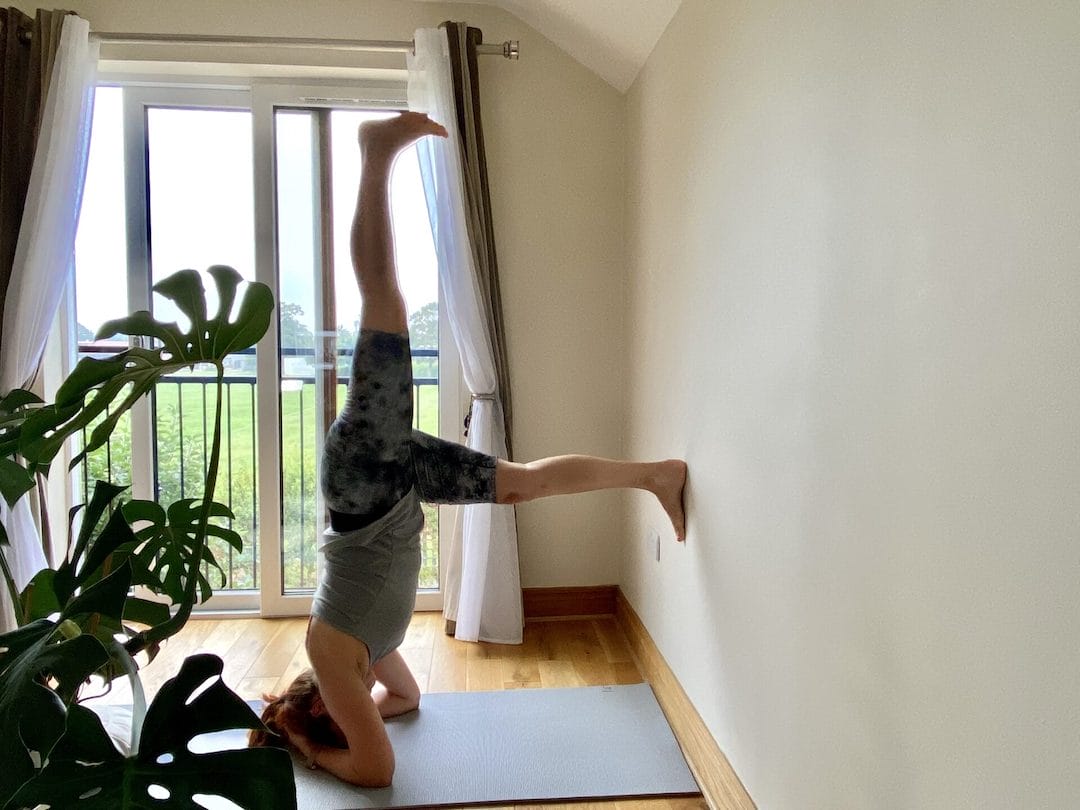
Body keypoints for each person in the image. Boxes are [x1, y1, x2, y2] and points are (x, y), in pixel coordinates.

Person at [249, 112, 687, 787]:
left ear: (326, 705)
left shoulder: (335, 656)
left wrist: (304, 749)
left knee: (383, 301)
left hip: (366, 479)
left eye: (339, 713)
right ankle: (655, 475)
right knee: (525, 484)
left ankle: (373, 155)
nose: (361, 699)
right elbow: (406, 700)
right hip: (400, 493)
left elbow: (374, 771)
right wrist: (317, 721)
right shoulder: (366, 659)